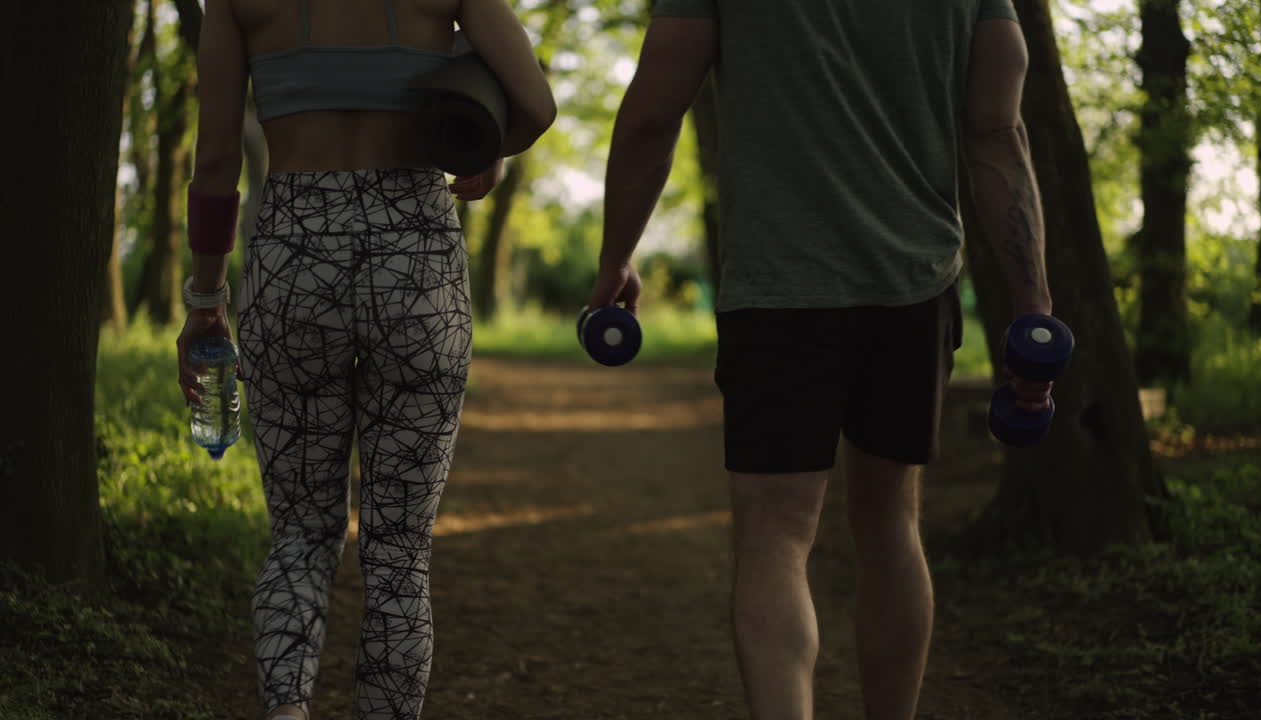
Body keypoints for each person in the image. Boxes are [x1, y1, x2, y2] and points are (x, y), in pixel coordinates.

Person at [587, 1, 1053, 719]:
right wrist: (1033, 309)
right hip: (913, 284)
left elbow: (653, 113)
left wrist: (617, 255)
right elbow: (997, 131)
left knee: (775, 538)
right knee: (892, 522)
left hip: (778, 288)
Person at [175, 1, 555, 719]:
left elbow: (218, 157)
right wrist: (485, 147)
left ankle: (287, 709)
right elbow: (536, 103)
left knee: (300, 534)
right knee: (399, 551)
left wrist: (205, 296)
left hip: (293, 258)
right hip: (415, 261)